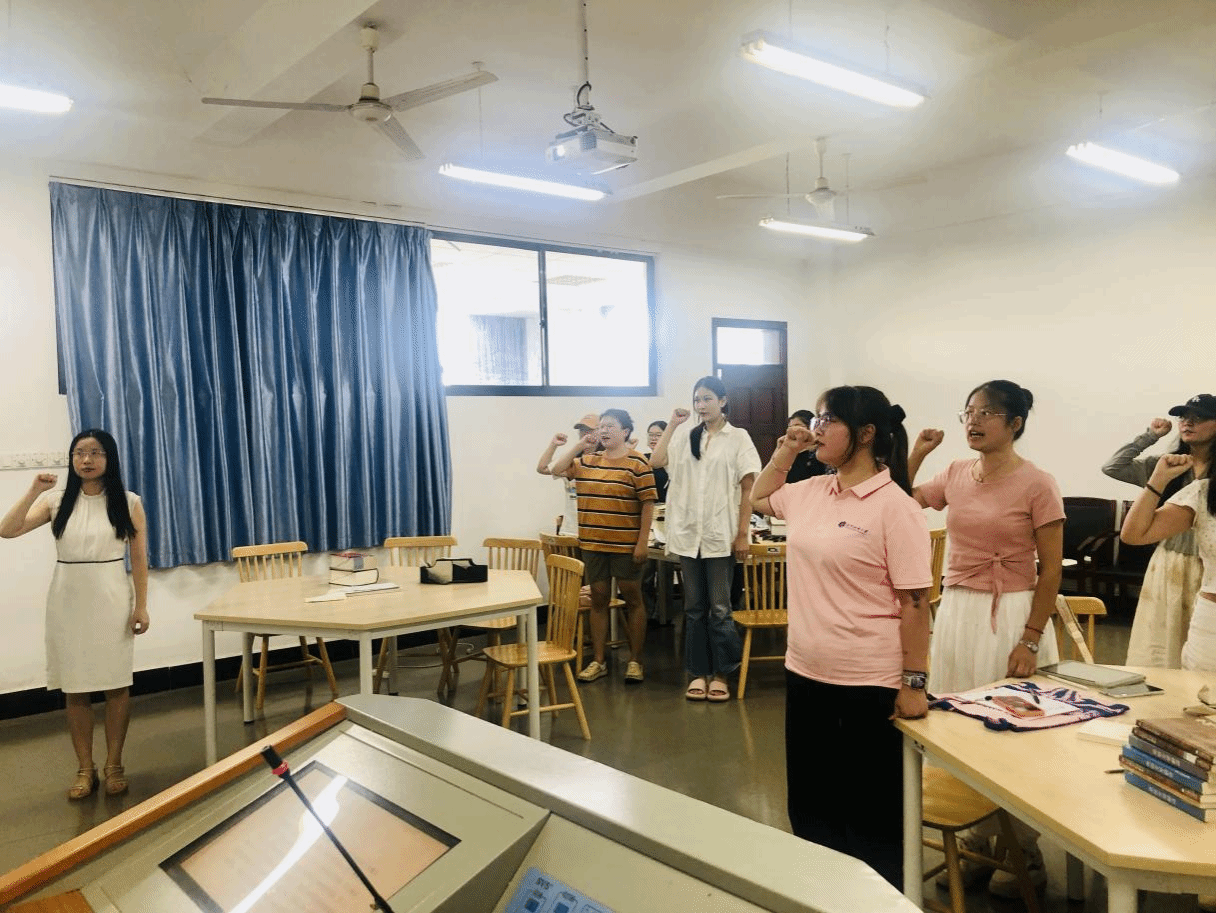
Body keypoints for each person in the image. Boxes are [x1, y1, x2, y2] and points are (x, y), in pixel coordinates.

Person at [751, 385, 930, 888]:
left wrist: (914, 683)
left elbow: (915, 603)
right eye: (818, 419)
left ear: (866, 434)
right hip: (805, 671)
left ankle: (877, 899)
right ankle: (822, 896)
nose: (818, 428)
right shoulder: (810, 490)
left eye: (829, 420)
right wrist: (787, 450)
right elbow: (758, 497)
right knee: (811, 805)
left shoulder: (896, 507)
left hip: (868, 680)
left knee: (868, 813)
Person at [907, 379, 1064, 895]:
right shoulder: (955, 472)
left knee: (1011, 732)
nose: (973, 421)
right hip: (958, 610)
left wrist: (1031, 639)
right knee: (960, 726)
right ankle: (978, 836)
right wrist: (918, 452)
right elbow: (901, 503)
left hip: (1012, 614)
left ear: (1014, 423)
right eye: (969, 412)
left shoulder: (1037, 483)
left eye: (987, 413)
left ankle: (1024, 850)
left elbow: (1051, 570)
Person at [0, 429, 149, 800]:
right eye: (79, 452)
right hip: (67, 601)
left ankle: (114, 765)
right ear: (71, 459)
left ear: (109, 458)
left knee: (116, 684)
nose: (86, 459)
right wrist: (33, 490)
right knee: (75, 687)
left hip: (112, 598)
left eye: (96, 452)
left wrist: (141, 605)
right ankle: (85, 768)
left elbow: (138, 559)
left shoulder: (128, 502)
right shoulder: (56, 501)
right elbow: (7, 530)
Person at [651, 377, 760, 702]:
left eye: (707, 398)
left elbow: (749, 487)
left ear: (723, 401)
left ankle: (723, 674)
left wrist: (742, 534)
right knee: (694, 609)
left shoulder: (738, 437)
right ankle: (698, 672)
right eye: (697, 399)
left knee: (720, 609)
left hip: (720, 535)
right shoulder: (687, 436)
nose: (701, 405)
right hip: (689, 535)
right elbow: (656, 461)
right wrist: (673, 423)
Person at [1102, 397, 1213, 667]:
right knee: (1163, 643)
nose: (1188, 422)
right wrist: (1150, 436)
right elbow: (1113, 467)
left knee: (1202, 650)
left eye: (1199, 417)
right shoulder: (1166, 465)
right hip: (1170, 562)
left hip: (1207, 569)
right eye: (1183, 417)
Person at [551, 409, 656, 684]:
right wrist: (579, 444)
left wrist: (642, 542)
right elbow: (556, 469)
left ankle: (635, 661)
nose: (604, 431)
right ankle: (598, 661)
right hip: (593, 543)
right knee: (598, 599)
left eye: (610, 426)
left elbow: (648, 504)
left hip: (626, 545)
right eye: (601, 427)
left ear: (625, 432)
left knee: (633, 599)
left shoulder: (638, 462)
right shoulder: (588, 460)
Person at [536, 413, 601, 534]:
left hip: (596, 531)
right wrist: (554, 444)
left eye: (589, 430)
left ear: (600, 432)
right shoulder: (571, 459)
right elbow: (542, 468)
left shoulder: (606, 459)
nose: (585, 434)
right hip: (571, 530)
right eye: (581, 430)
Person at [784, 410, 829, 483]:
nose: (793, 430)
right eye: (790, 427)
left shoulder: (820, 452)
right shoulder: (790, 452)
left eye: (797, 426)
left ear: (811, 427)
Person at [644, 421, 670, 503]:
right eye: (650, 435)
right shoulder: (643, 458)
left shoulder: (673, 459)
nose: (653, 438)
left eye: (658, 435)